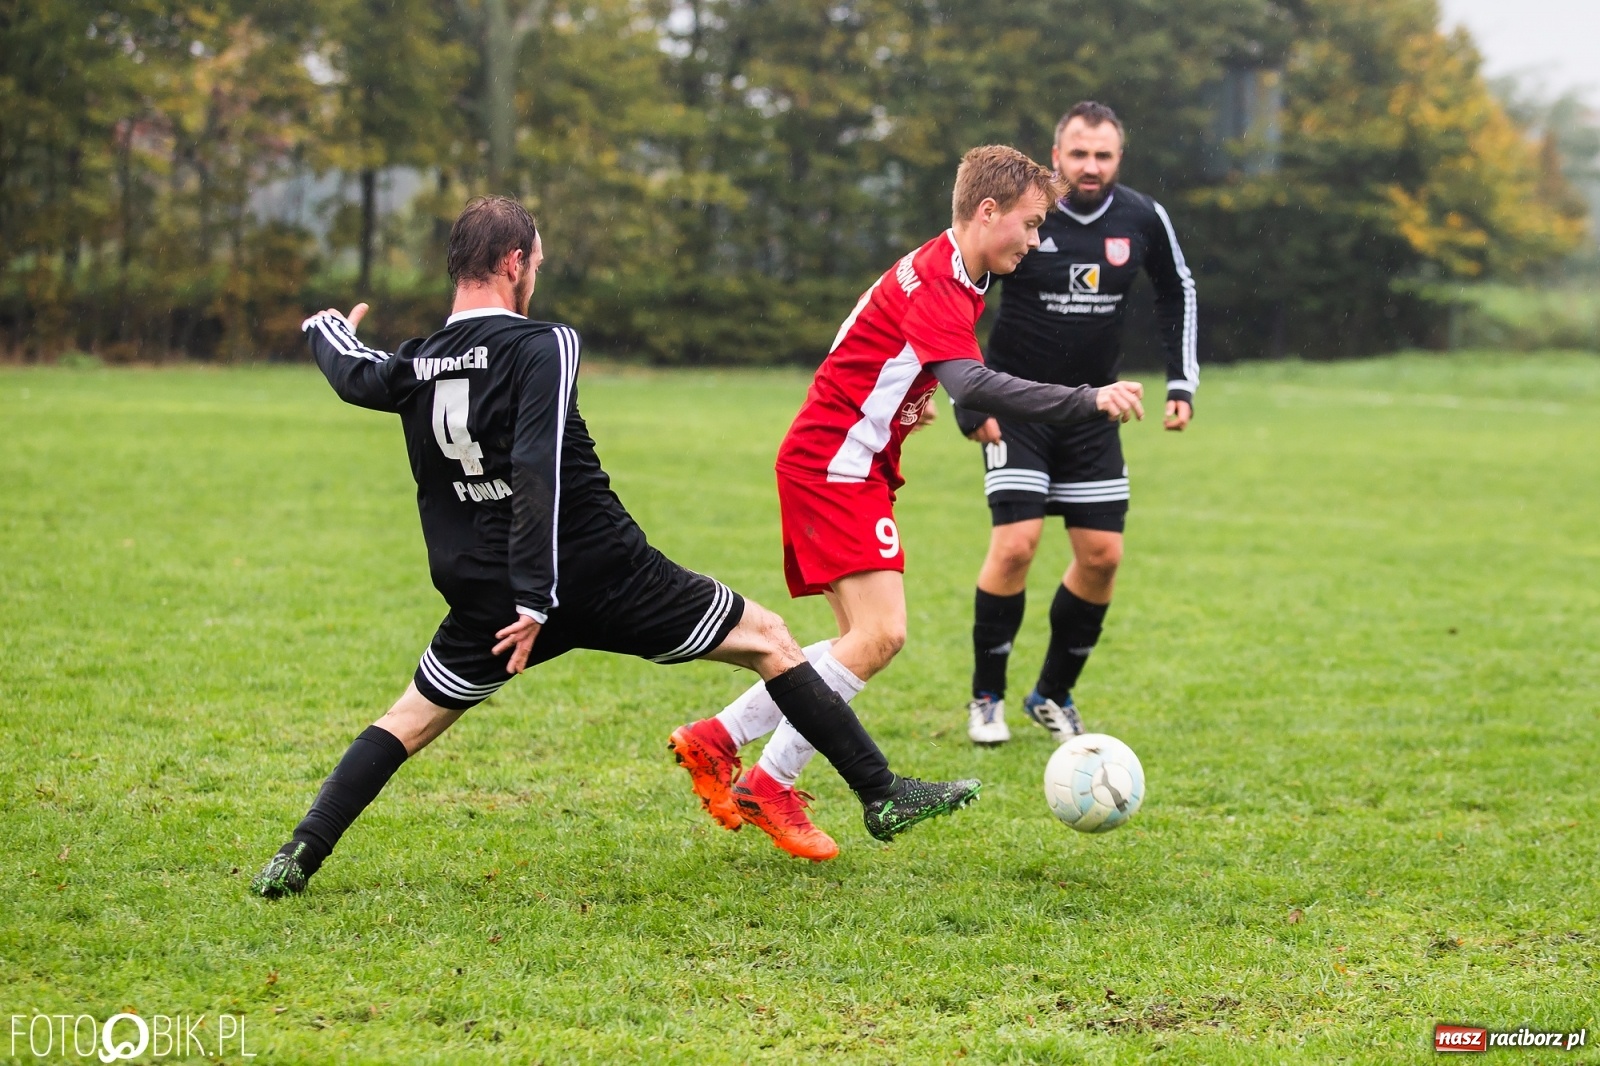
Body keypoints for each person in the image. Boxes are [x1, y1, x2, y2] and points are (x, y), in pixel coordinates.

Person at [250, 196, 980, 897]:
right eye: (535, 261)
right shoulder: (546, 343)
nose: (536, 273)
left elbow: (356, 375)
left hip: (486, 597)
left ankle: (298, 852)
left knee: (406, 722)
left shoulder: (416, 362)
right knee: (770, 640)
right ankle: (880, 793)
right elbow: (537, 465)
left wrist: (324, 328)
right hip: (599, 575)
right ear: (514, 263)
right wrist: (540, 596)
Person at [668, 146, 1146, 861]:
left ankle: (720, 740)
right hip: (837, 467)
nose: (1037, 240)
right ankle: (769, 782)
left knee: (852, 643)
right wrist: (1087, 400)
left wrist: (902, 403)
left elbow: (872, 353)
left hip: (838, 463)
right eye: (1031, 223)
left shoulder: (952, 273)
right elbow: (976, 385)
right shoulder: (938, 280)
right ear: (988, 213)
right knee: (881, 635)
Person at [956, 101, 1199, 747]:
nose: (1091, 167)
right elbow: (960, 293)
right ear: (1056, 153)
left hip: (1096, 408)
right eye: (1079, 154)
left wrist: (1181, 382)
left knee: (1102, 557)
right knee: (1016, 545)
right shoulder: (1022, 212)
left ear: (1119, 158)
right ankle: (987, 697)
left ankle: (1053, 694)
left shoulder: (1143, 216)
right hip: (1015, 407)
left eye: (1104, 155)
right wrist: (967, 398)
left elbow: (1177, 289)